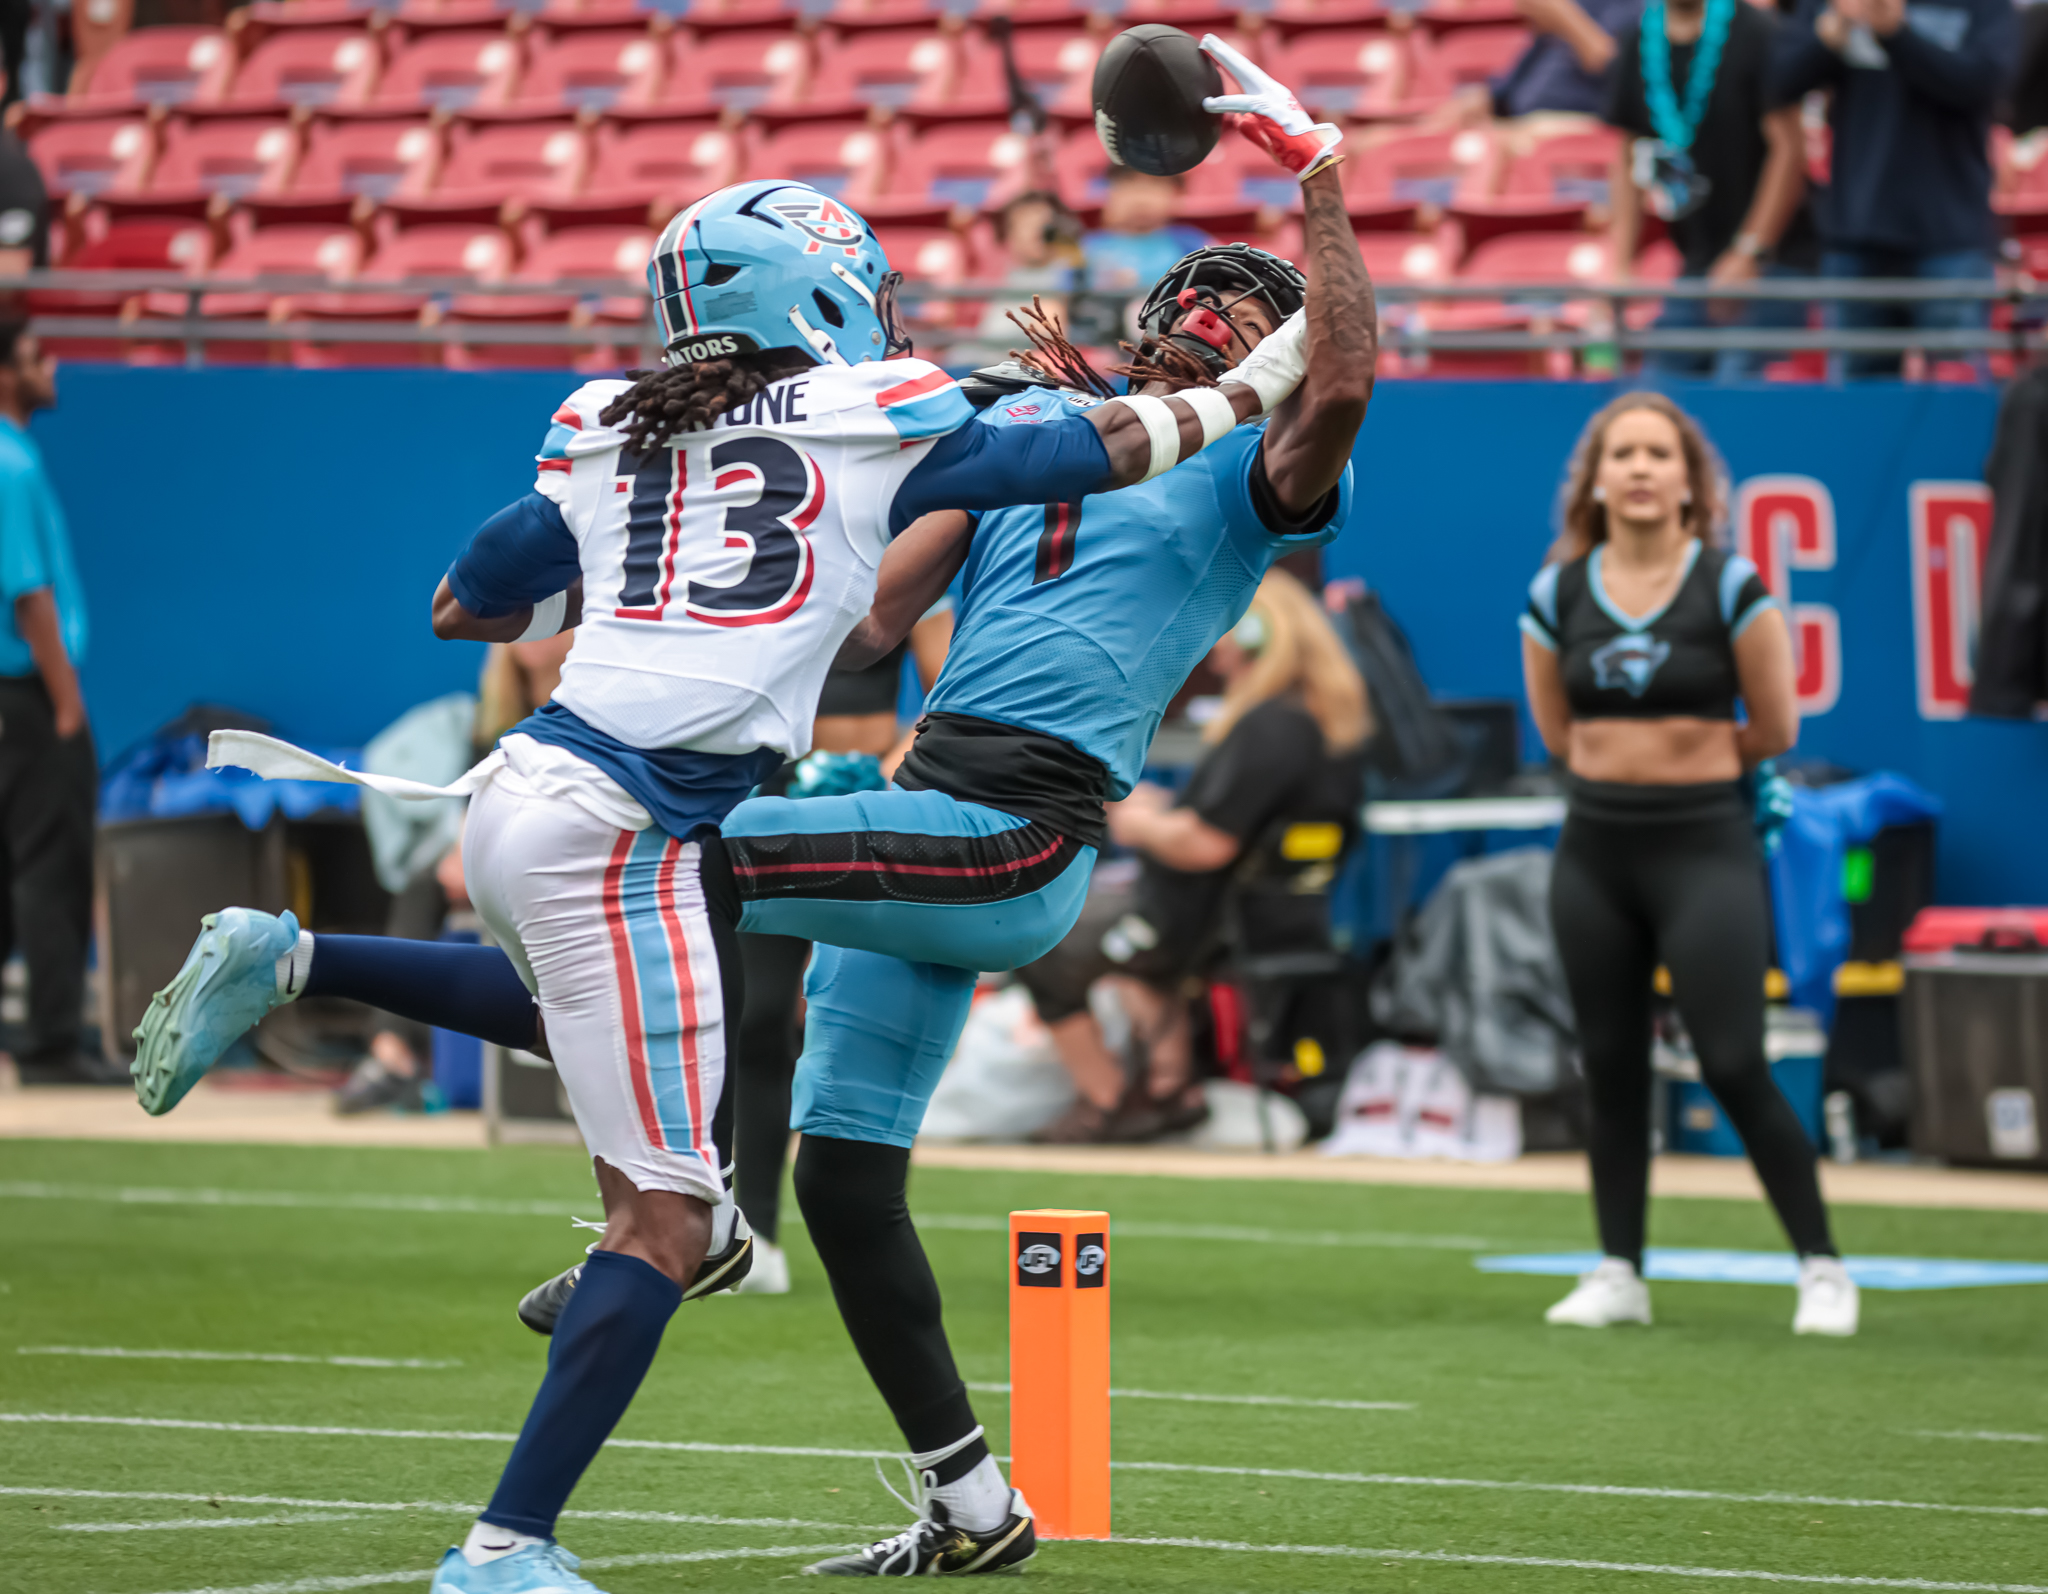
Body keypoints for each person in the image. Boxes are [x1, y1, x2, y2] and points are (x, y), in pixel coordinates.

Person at [131, 173, 1297, 1593]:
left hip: (528, 789)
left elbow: (462, 606)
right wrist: (1258, 369)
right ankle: (525, 1525)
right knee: (689, 1188)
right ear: (824, 295)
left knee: (669, 1033)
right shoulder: (881, 409)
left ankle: (314, 965)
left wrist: (656, 546)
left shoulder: (612, 426)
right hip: (643, 814)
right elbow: (1097, 453)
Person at [1518, 390, 1857, 1337]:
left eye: (1658, 454)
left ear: (1690, 483)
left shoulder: (1731, 585)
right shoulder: (1556, 594)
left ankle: (1823, 1266)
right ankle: (1619, 1269)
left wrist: (1689, 766)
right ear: (1593, 481)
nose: (1638, 469)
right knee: (1611, 1064)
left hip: (1704, 845)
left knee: (1733, 1059)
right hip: (1595, 849)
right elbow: (1559, 734)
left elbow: (1775, 728)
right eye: (1621, 453)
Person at [1017, 567, 1369, 1144]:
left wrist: (1139, 823)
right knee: (1127, 951)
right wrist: (1167, 815)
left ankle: (1104, 1099)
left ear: (1255, 634)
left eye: (1224, 626)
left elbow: (1206, 845)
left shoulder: (1268, 726)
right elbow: (1229, 824)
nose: (1214, 643)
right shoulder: (1316, 723)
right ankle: (1168, 1088)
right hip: (1279, 917)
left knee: (1037, 938)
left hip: (1204, 924)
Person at [338, 633, 576, 1115]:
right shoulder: (493, 723)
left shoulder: (586, 709)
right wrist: (464, 852)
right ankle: (391, 1051)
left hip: (564, 854)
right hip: (499, 856)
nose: (529, 636)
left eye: (545, 619)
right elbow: (476, 800)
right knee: (422, 884)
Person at [1770, 0, 2017, 377]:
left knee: (1956, 392)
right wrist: (1827, 41)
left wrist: (1897, 34)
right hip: (1856, 234)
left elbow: (1984, 83)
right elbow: (1778, 83)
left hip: (1949, 236)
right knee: (1858, 401)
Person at [1606, 0, 1817, 379]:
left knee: (1735, 382)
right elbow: (1627, 157)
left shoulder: (1758, 33)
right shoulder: (1638, 40)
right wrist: (1619, 264)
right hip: (1697, 262)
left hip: (1777, 260)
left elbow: (1789, 150)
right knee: (1658, 388)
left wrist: (1750, 251)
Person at [0, 320, 102, 1086]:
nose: (53, 366)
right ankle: (52, 1042)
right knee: (50, 863)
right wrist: (67, 708)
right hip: (30, 697)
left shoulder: (17, 456)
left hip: (24, 697)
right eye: (38, 357)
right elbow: (29, 596)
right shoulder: (8, 464)